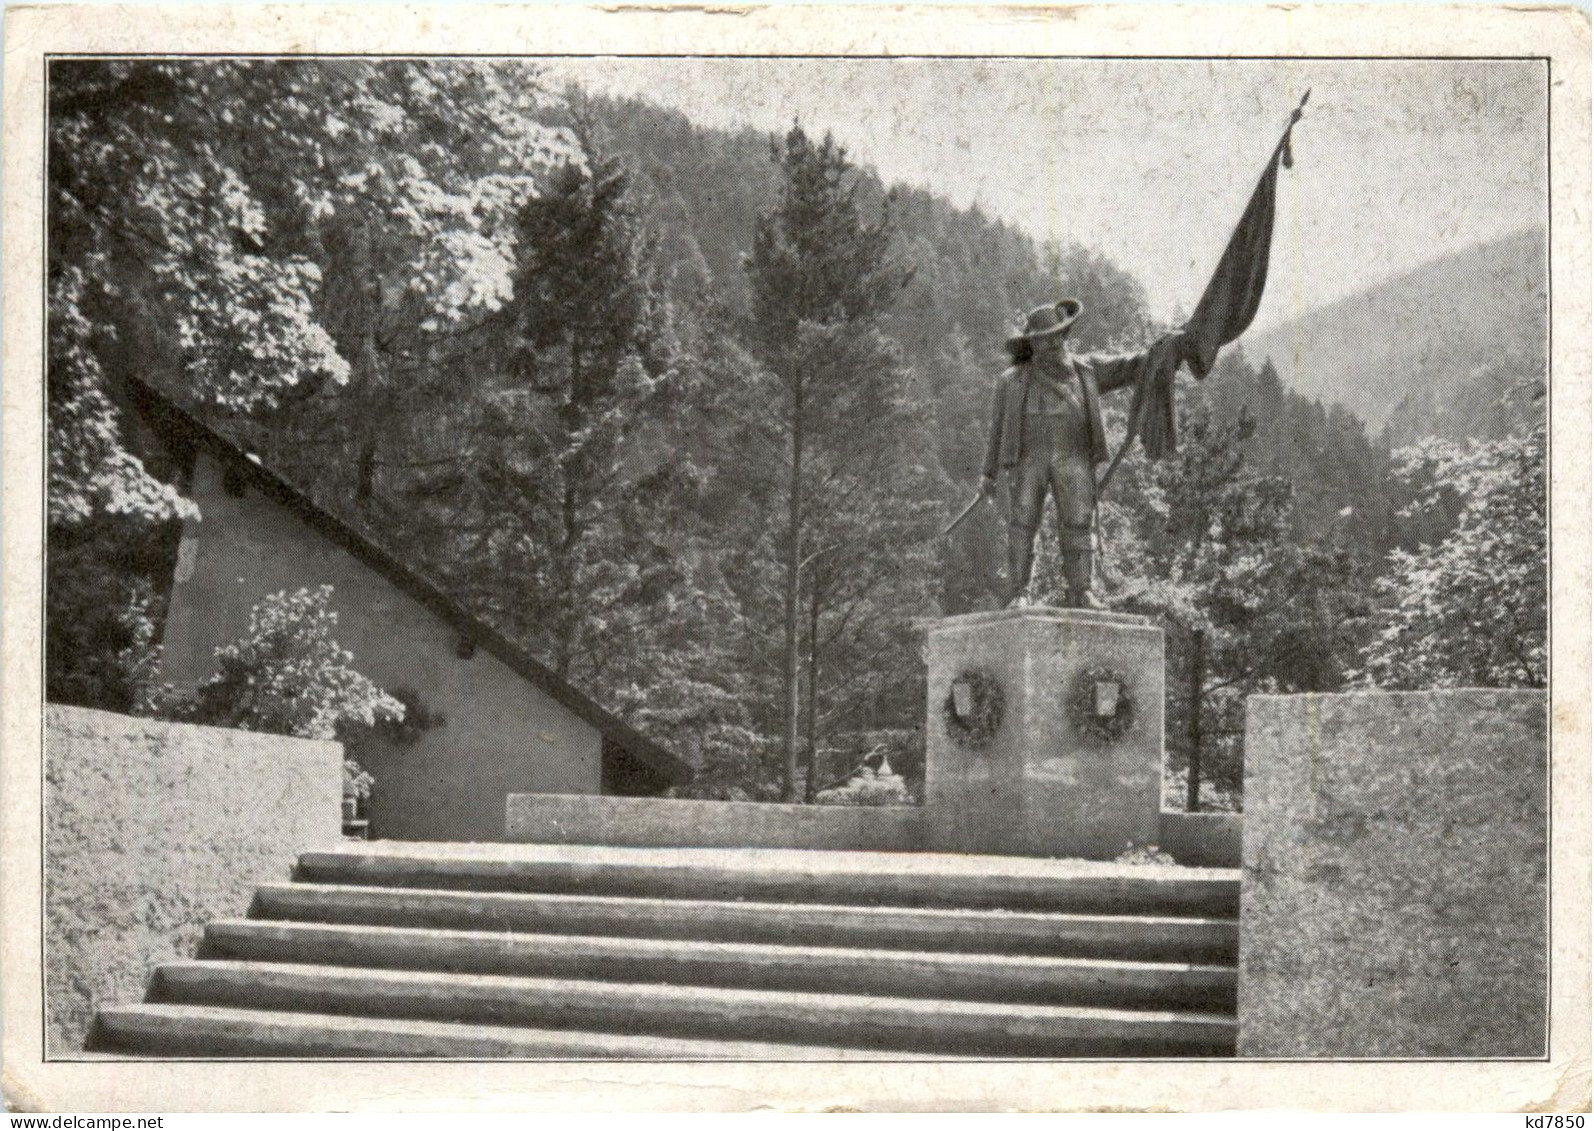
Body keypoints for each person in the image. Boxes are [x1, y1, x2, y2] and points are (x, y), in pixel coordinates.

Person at [982, 300, 1191, 608]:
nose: (1053, 343)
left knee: (1079, 521)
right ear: (1033, 344)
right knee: (1022, 523)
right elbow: (996, 428)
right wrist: (987, 473)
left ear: (1066, 335)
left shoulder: (1088, 371)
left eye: (1058, 336)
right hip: (1029, 459)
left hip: (1074, 455)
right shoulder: (1010, 381)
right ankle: (1020, 592)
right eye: (1044, 339)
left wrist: (1165, 350)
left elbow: (1133, 365)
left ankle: (1082, 590)